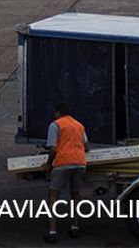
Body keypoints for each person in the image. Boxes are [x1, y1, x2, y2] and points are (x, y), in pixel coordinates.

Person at [43, 101, 87, 242]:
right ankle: (75, 227)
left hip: (63, 163)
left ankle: (52, 232)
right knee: (75, 195)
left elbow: (52, 149)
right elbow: (86, 146)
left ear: (58, 112)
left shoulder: (55, 125)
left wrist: (48, 165)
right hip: (80, 163)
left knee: (53, 196)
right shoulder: (79, 125)